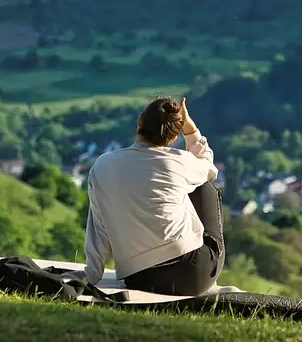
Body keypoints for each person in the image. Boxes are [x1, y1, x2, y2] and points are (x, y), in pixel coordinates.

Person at [84, 95, 225, 296]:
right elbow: (208, 167)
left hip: (139, 278)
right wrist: (191, 130)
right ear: (174, 137)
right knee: (204, 187)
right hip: (192, 276)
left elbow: (99, 225)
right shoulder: (179, 162)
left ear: (139, 121)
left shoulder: (103, 165)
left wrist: (92, 272)